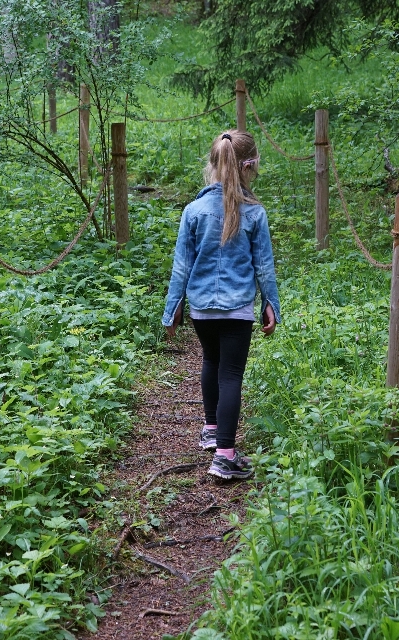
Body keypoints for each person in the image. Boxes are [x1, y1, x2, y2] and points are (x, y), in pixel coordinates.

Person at [161, 129, 282, 481]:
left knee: (211, 361)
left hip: (201, 308)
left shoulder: (193, 210)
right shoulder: (254, 213)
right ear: (250, 166)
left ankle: (212, 430)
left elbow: (181, 265)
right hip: (237, 307)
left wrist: (174, 308)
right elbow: (264, 266)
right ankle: (226, 456)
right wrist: (270, 304)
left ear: (212, 164)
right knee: (231, 374)